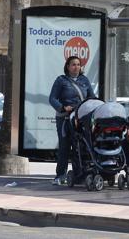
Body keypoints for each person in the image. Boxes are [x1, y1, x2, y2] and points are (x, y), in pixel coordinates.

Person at [49, 56, 95, 185]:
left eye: (78, 65)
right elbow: (52, 99)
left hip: (80, 118)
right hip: (64, 118)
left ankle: (79, 175)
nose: (76, 67)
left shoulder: (84, 80)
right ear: (68, 67)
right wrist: (63, 107)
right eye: (73, 64)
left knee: (79, 146)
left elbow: (91, 97)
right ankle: (60, 175)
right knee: (64, 146)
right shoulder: (61, 80)